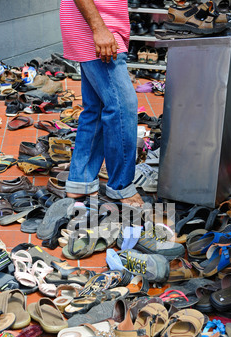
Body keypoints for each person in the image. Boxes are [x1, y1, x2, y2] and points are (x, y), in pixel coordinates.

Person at [59, 0, 144, 207]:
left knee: (95, 110)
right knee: (123, 108)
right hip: (98, 29)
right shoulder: (99, 29)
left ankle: (81, 182)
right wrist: (99, 29)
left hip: (98, 26)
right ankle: (121, 186)